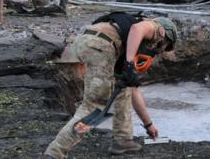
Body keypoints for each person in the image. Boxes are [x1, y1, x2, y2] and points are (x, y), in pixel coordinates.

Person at [44, 12, 178, 159]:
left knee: (123, 91)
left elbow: (134, 91)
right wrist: (129, 63)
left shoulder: (124, 44)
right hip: (101, 46)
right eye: (163, 46)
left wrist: (148, 125)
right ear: (166, 35)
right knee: (94, 106)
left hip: (90, 42)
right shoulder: (157, 28)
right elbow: (136, 29)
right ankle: (54, 153)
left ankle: (123, 141)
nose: (158, 50)